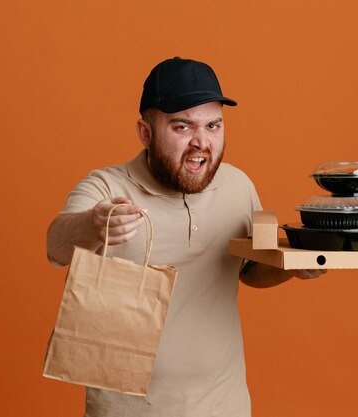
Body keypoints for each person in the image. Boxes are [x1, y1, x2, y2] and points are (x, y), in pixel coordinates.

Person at [46, 56, 326, 417]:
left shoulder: (238, 186)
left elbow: (253, 271)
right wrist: (92, 224)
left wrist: (295, 268)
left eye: (213, 125)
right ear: (145, 133)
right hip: (127, 409)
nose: (201, 142)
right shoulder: (107, 187)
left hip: (224, 405)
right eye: (182, 127)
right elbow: (55, 244)